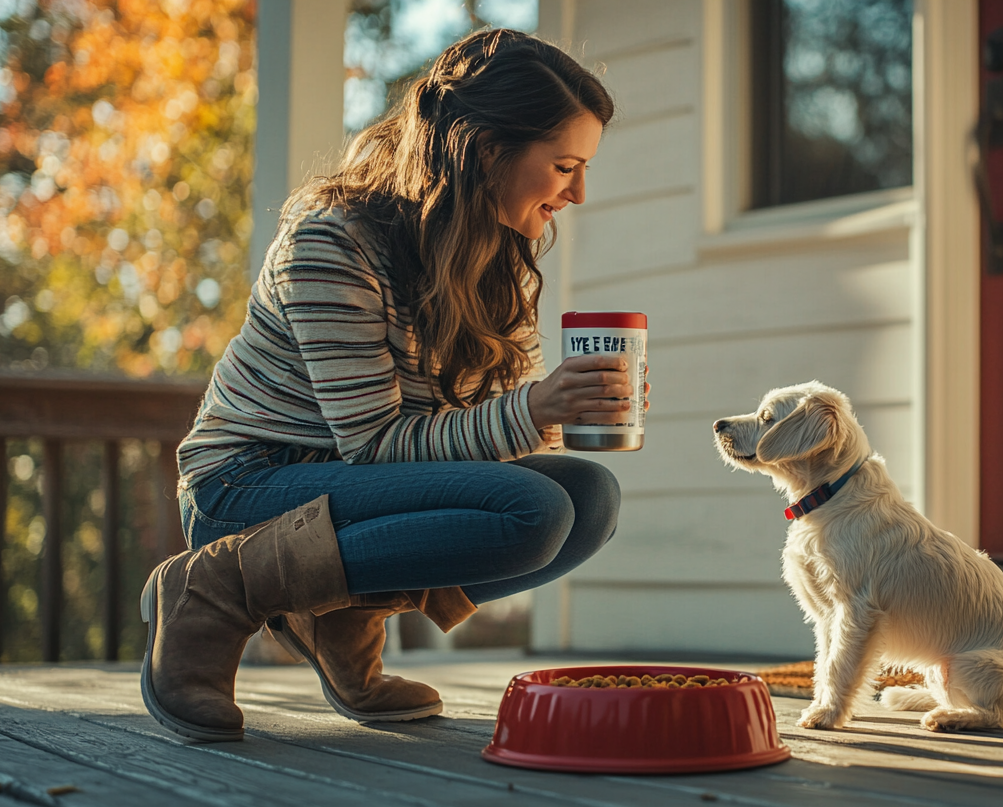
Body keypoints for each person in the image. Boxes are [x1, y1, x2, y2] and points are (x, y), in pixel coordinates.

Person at [140, 29, 636, 742]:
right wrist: (530, 409)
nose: (579, 192)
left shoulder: (492, 252)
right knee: (535, 511)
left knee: (588, 499)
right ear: (485, 148)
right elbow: (375, 446)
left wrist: (557, 412)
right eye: (564, 165)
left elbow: (459, 442)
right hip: (246, 486)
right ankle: (215, 587)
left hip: (352, 488)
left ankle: (340, 614)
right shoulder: (332, 241)